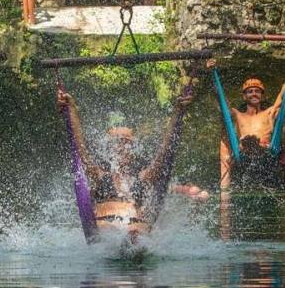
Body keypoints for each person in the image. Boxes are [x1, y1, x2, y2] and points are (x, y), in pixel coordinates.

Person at [57, 85, 194, 243]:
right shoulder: (99, 176)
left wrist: (178, 113)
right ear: (108, 149)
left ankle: (130, 242)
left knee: (133, 234)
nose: (120, 147)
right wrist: (71, 109)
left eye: (125, 142)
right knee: (117, 232)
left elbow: (163, 155)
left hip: (135, 229)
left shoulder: (144, 177)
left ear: (133, 149)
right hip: (105, 228)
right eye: (115, 143)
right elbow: (80, 151)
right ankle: (126, 241)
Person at [209, 57, 285, 192]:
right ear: (244, 97)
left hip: (267, 151)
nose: (254, 94)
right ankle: (224, 190)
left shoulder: (269, 113)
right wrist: (213, 73)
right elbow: (223, 102)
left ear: (262, 95)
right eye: (250, 91)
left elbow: (282, 96)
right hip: (243, 153)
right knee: (226, 136)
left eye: (257, 91)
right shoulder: (238, 115)